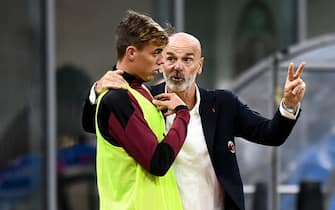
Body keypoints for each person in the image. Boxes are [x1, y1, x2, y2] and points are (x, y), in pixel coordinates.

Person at [82, 32, 306, 210]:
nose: (178, 66)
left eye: (187, 59)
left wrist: (289, 104)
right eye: (171, 58)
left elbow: (270, 134)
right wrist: (96, 90)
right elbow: (94, 124)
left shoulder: (223, 104)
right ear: (161, 63)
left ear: (200, 65)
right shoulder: (143, 100)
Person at [90, 11, 191, 210]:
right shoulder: (117, 99)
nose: (161, 61)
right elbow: (158, 162)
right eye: (155, 53)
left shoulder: (141, 92)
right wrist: (182, 114)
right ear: (131, 53)